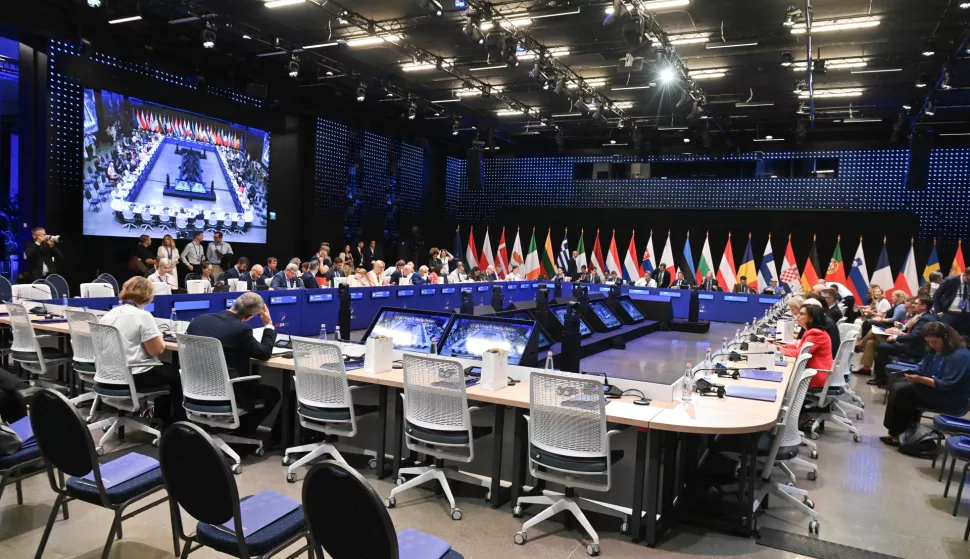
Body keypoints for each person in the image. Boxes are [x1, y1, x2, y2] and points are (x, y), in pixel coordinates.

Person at [185, 292, 282, 441]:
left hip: (195, 389)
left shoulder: (199, 321)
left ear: (234, 304)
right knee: (272, 393)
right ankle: (241, 434)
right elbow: (264, 353)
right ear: (251, 315)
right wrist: (268, 325)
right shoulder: (241, 329)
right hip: (227, 393)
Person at [98, 277, 183, 423]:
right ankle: (172, 424)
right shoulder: (143, 316)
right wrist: (159, 337)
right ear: (148, 295)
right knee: (178, 375)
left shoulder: (110, 314)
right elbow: (156, 350)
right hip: (133, 376)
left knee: (165, 372)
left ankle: (150, 416)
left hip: (109, 374)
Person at [881, 322, 970, 446]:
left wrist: (921, 379)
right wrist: (912, 374)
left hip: (952, 396)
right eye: (929, 342)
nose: (931, 345)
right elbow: (922, 368)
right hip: (935, 389)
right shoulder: (933, 350)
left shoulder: (960, 355)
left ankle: (898, 434)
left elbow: (948, 385)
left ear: (945, 338)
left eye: (934, 342)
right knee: (898, 386)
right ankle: (897, 433)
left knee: (904, 392)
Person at [870, 296, 938, 387]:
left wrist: (896, 338)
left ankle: (880, 378)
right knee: (876, 342)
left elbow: (914, 336)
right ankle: (880, 374)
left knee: (883, 347)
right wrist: (900, 329)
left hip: (914, 348)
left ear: (923, 306)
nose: (913, 305)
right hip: (911, 344)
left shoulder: (925, 318)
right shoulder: (922, 316)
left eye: (916, 304)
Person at [780, 303, 834, 389]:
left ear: (811, 318)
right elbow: (800, 348)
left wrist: (780, 350)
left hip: (815, 375)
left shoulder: (816, 334)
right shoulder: (811, 331)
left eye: (801, 314)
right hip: (810, 372)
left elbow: (800, 353)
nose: (798, 316)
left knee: (783, 375)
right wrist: (783, 346)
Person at [933, 268, 970, 336]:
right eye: (968, 279)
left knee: (963, 337)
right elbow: (936, 296)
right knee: (946, 336)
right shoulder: (950, 280)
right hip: (949, 314)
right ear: (965, 275)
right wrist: (938, 311)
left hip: (965, 315)